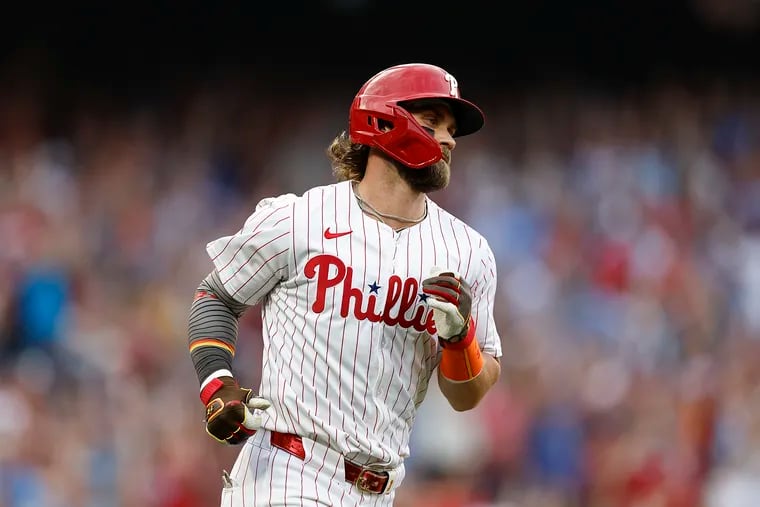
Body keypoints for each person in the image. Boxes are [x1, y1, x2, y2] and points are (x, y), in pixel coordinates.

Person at [187, 62, 502, 506]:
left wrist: (460, 339)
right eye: (433, 123)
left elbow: (467, 395)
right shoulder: (299, 219)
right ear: (382, 120)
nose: (449, 139)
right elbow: (216, 297)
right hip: (286, 472)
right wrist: (216, 384)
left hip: (379, 490)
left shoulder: (467, 252)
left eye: (451, 129)